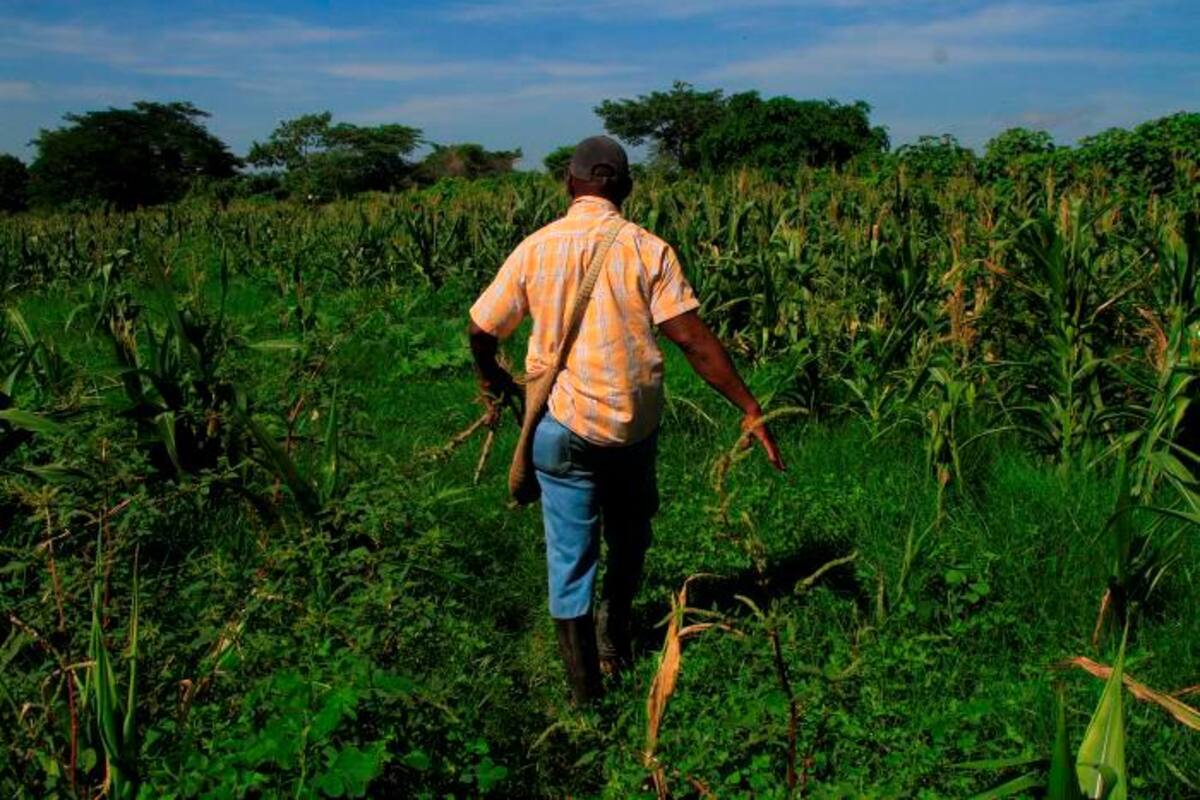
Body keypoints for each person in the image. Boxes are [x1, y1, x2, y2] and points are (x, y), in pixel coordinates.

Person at [468, 135, 784, 705]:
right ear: (629, 187)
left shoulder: (534, 248)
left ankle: (586, 698)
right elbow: (692, 338)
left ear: (569, 184)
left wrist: (489, 375)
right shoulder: (648, 248)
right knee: (631, 538)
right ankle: (613, 638)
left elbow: (481, 328)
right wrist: (750, 408)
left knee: (570, 558)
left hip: (561, 427)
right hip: (633, 432)